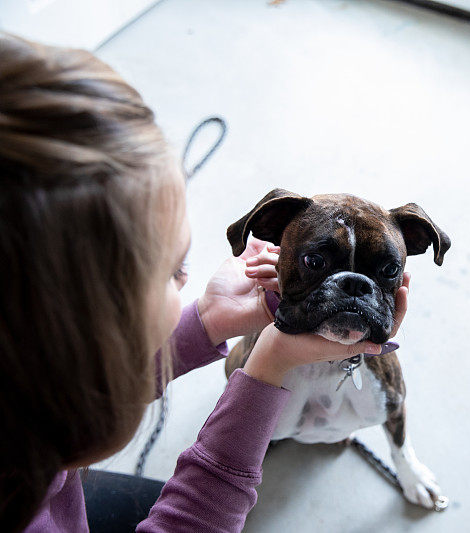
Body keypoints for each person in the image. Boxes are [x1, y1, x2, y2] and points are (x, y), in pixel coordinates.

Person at [0, 33, 410, 532]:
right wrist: (268, 366)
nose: (187, 284)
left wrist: (206, 321)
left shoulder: (24, 403)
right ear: (68, 328)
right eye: (174, 272)